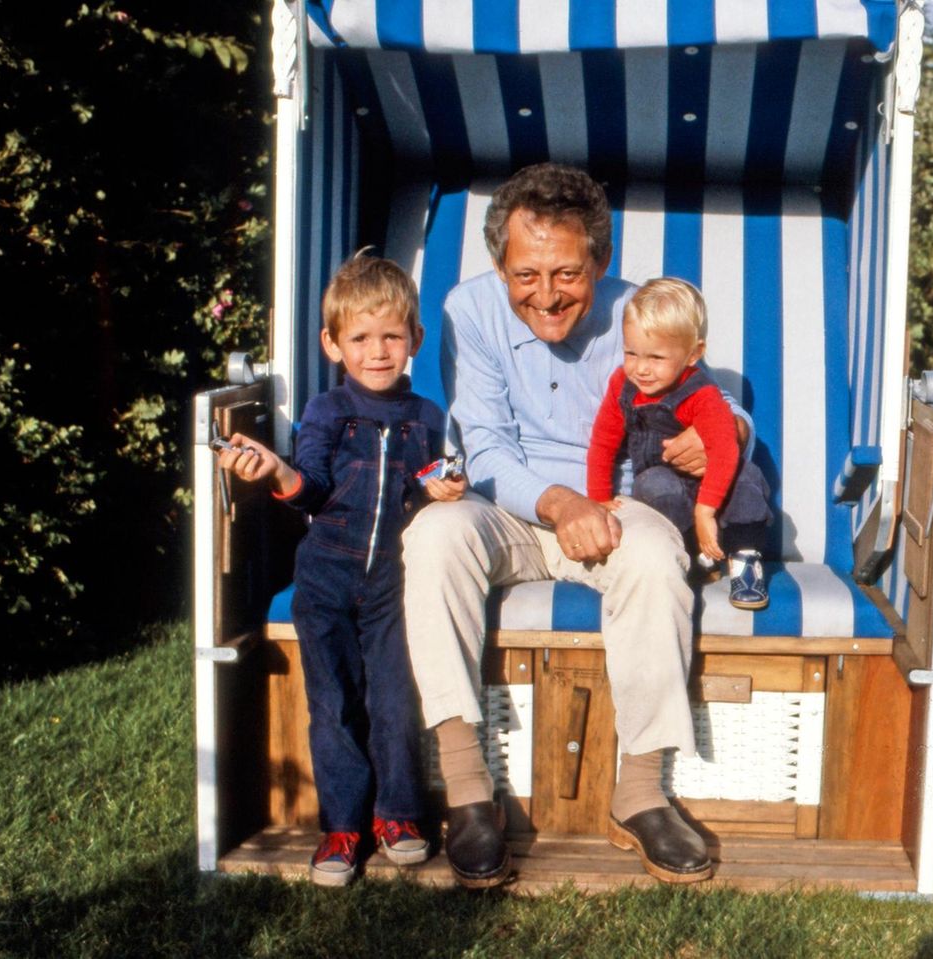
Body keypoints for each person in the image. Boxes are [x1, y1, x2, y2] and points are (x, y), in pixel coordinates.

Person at [402, 163, 752, 887]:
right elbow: (484, 446)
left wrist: (729, 433)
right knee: (433, 536)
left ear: (601, 259)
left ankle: (641, 793)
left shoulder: (637, 307)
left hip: (615, 506)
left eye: (567, 273)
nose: (546, 295)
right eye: (525, 275)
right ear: (499, 265)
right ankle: (467, 791)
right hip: (507, 503)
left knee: (656, 557)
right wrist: (562, 504)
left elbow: (708, 392)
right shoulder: (469, 310)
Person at [217, 251, 466, 886]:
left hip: (392, 585)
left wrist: (440, 487)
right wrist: (276, 472)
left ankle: (399, 815)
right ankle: (343, 826)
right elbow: (313, 487)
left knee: (394, 699)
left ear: (415, 339)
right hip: (325, 579)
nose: (377, 352)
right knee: (332, 705)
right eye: (360, 338)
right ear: (333, 344)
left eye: (391, 336)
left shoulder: (427, 418)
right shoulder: (327, 412)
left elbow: (419, 489)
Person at [586, 276, 772, 609]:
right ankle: (691, 554)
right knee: (654, 485)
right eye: (631, 353)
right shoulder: (622, 386)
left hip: (712, 480)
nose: (641, 369)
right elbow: (603, 441)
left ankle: (745, 558)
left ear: (693, 354)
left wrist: (706, 509)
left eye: (656, 358)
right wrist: (599, 497)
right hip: (664, 480)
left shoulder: (703, 395)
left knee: (747, 479)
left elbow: (725, 449)